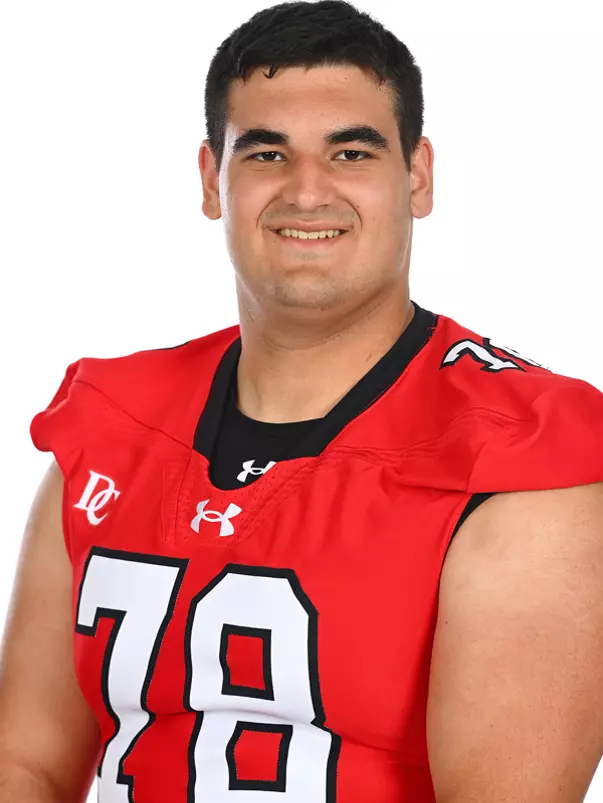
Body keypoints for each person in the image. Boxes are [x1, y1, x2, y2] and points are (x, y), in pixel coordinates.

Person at [2, 1, 603, 801]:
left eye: (351, 152)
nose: (307, 190)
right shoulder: (111, 424)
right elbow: (26, 764)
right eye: (266, 154)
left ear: (416, 176)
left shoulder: (518, 456)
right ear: (212, 180)